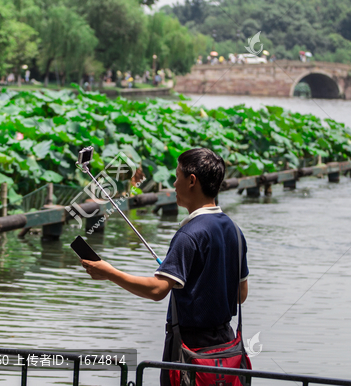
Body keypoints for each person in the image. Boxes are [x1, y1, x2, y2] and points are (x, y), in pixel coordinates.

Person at [81, 148, 249, 386]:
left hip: (190, 353)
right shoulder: (235, 231)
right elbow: (241, 295)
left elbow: (157, 290)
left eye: (177, 175)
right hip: (226, 352)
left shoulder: (189, 235)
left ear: (192, 181)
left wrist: (110, 273)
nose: (173, 182)